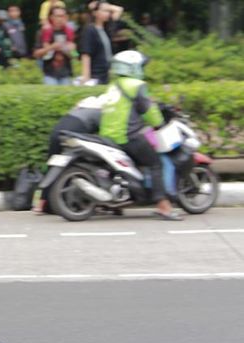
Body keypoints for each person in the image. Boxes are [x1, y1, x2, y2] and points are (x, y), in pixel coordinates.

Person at [99, 50, 179, 220]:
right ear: (132, 67)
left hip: (108, 135)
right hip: (127, 135)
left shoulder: (114, 86)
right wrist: (159, 124)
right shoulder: (136, 85)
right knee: (156, 163)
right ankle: (163, 205)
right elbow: (149, 109)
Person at [32, 94, 105, 213]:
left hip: (57, 134)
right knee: (82, 167)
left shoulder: (82, 106)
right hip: (72, 137)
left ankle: (39, 205)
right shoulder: (100, 113)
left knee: (51, 169)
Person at [79, 1, 121, 85]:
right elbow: (86, 55)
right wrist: (86, 77)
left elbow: (119, 10)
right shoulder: (90, 30)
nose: (108, 13)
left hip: (106, 75)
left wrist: (101, 4)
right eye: (104, 11)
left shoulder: (106, 29)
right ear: (95, 13)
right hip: (95, 75)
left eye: (108, 11)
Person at [34, 6, 75, 85]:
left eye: (63, 16)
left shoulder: (69, 32)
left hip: (66, 74)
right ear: (51, 17)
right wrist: (51, 47)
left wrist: (72, 50)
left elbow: (75, 55)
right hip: (49, 74)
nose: (60, 19)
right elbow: (36, 54)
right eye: (57, 16)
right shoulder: (43, 32)